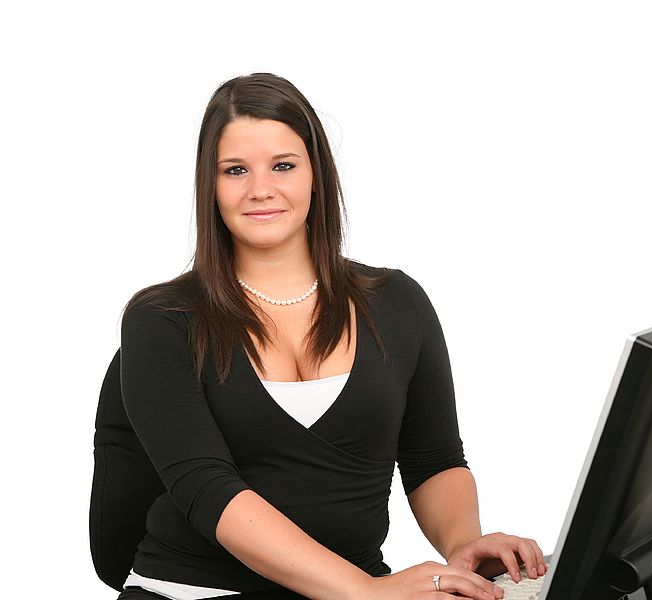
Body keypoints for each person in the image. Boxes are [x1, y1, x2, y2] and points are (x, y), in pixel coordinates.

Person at [116, 73, 547, 600]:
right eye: (235, 170)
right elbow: (209, 490)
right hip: (194, 590)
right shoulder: (162, 319)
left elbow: (434, 460)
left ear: (316, 173)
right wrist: (367, 591)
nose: (260, 189)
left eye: (283, 165)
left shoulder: (398, 303)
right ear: (210, 185)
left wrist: (464, 545)